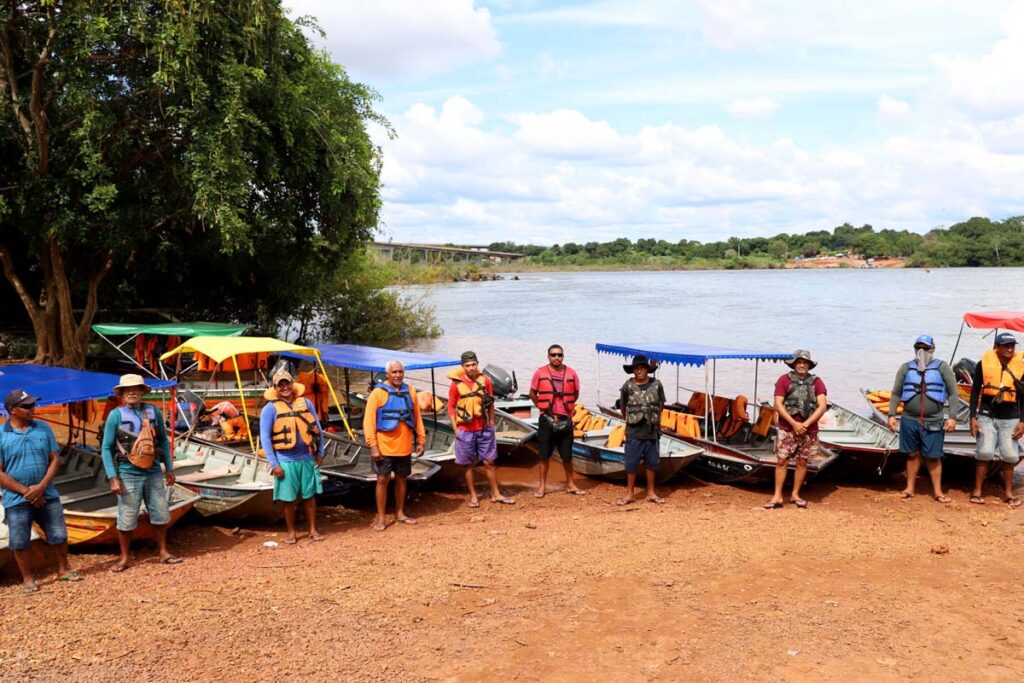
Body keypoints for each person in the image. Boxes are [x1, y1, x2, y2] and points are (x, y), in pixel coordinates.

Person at [0, 390, 81, 591]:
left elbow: (55, 460)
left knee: (59, 534)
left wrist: (41, 487)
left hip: (47, 493)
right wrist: (26, 491)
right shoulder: (2, 435)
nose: (32, 409)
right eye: (26, 406)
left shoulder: (43, 428)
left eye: (33, 405)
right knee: (20, 540)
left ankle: (64, 570)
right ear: (12, 410)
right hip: (16, 498)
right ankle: (28, 579)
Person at [100, 374, 181, 572]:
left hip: (153, 471)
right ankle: (125, 558)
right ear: (122, 394)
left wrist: (168, 468)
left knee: (160, 512)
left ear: (142, 392)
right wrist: (113, 477)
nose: (132, 392)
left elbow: (162, 440)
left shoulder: (153, 412)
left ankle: (163, 552)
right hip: (128, 472)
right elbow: (106, 448)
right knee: (127, 516)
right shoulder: (115, 415)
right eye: (127, 390)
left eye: (136, 389)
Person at [887, 335, 960, 503]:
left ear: (932, 349)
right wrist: (891, 415)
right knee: (912, 454)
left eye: (925, 348)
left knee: (933, 456)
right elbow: (896, 392)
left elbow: (953, 393)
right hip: (909, 418)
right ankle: (910, 488)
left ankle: (938, 492)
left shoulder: (942, 368)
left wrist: (952, 418)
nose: (922, 351)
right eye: (918, 347)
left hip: (933, 419)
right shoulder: (906, 368)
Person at [259, 369, 326, 544]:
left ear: (292, 384)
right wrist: (274, 464)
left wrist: (320, 452)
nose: (284, 387)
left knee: (309, 496)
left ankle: (312, 529)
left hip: (306, 457)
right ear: (275, 388)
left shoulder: (306, 403)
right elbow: (265, 438)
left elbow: (318, 429)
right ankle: (291, 532)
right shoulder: (269, 409)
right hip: (285, 460)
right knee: (288, 499)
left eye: (287, 383)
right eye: (280, 385)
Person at [363, 360, 426, 530]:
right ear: (387, 374)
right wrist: (373, 446)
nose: (398, 375)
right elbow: (368, 422)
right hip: (384, 446)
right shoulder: (377, 393)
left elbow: (417, 417)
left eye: (400, 372)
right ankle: (381, 518)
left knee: (402, 479)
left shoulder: (410, 391)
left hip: (404, 446)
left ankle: (400, 512)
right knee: (382, 479)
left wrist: (421, 439)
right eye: (394, 372)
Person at [448, 351, 514, 508]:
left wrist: (491, 422)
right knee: (468, 464)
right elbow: (451, 407)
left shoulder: (485, 381)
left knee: (489, 462)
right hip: (465, 429)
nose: (471, 368)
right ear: (462, 367)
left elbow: (491, 403)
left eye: (473, 365)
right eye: (467, 365)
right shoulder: (456, 384)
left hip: (484, 427)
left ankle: (496, 494)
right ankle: (473, 496)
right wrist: (455, 429)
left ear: (477, 364)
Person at [764, 350, 828, 510]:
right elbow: (778, 404)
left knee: (802, 462)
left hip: (809, 430)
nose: (802, 365)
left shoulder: (817, 382)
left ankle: (795, 494)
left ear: (809, 365)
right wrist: (794, 424)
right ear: (793, 363)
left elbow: (822, 406)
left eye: (805, 362)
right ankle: (777, 496)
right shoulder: (783, 380)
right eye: (799, 362)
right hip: (787, 428)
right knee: (782, 461)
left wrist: (805, 425)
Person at [968, 332, 1024, 506]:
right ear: (997, 348)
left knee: (1009, 454)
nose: (1009, 349)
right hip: (987, 413)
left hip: (1011, 415)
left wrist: (1022, 422)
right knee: (984, 451)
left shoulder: (1021, 367)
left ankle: (1008, 493)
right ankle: (977, 491)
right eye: (1006, 346)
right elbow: (975, 391)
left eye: (1012, 346)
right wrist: (972, 417)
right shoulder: (982, 365)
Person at [530, 344, 584, 497]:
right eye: (553, 355)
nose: (556, 358)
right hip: (546, 419)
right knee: (544, 455)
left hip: (565, 419)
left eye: (559, 355)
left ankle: (571, 484)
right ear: (548, 356)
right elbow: (532, 393)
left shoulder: (571, 373)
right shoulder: (540, 373)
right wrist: (542, 407)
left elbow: (576, 394)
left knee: (567, 455)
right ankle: (542, 487)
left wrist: (566, 407)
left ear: (563, 356)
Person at [617, 354, 666, 505]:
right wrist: (633, 419)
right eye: (636, 369)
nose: (639, 371)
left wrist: (654, 419)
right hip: (634, 431)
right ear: (633, 371)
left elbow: (661, 405)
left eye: (642, 368)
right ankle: (630, 494)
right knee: (631, 463)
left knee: (652, 463)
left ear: (647, 370)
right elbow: (623, 407)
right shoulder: (627, 386)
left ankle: (651, 492)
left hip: (652, 431)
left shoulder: (657, 384)